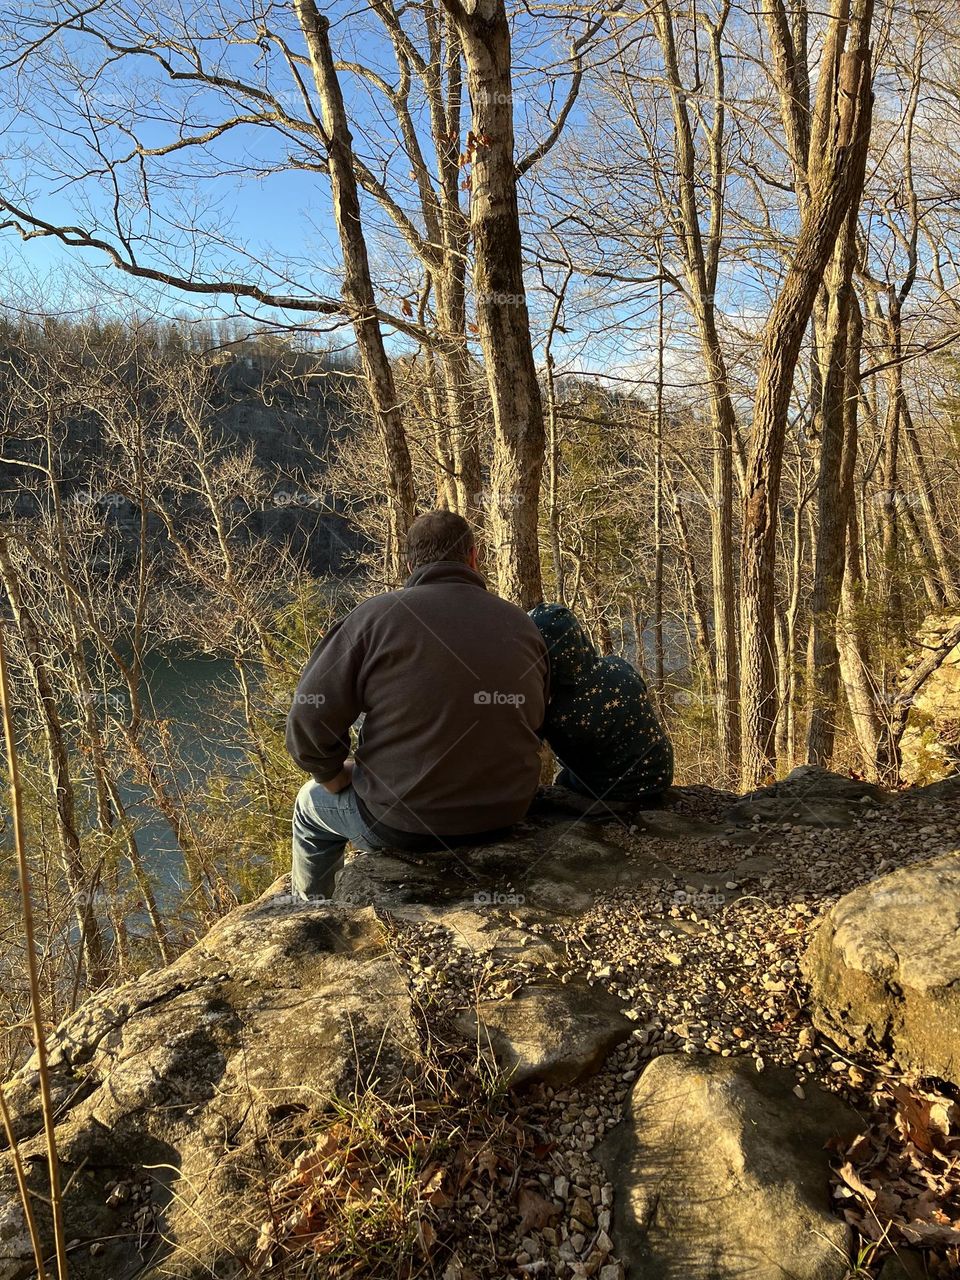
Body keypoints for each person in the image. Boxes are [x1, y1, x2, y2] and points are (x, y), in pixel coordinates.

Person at [286, 511, 549, 899]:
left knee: (309, 805)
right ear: (474, 557)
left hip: (402, 824)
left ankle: (314, 914)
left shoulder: (374, 618)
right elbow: (537, 720)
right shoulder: (523, 624)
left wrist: (331, 774)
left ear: (409, 564)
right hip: (507, 812)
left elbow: (309, 718)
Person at [529, 602, 673, 804]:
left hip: (617, 789)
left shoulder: (559, 715)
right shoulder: (618, 665)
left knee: (563, 780)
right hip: (661, 773)